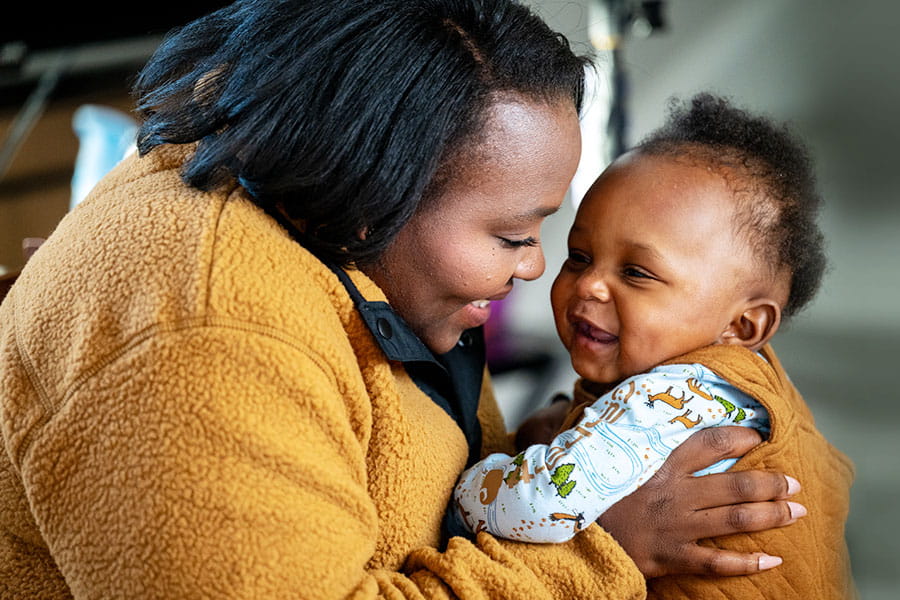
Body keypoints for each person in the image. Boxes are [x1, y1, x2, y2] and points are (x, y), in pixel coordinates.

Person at [0, 2, 802, 597]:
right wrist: (602, 549)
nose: (534, 269)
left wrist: (539, 447)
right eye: (515, 234)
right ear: (372, 187)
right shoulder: (204, 337)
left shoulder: (359, 248)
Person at [453, 93, 856, 598]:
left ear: (745, 325)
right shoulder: (754, 386)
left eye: (637, 272)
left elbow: (537, 506)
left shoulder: (668, 395)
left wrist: (483, 474)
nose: (590, 285)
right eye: (579, 256)